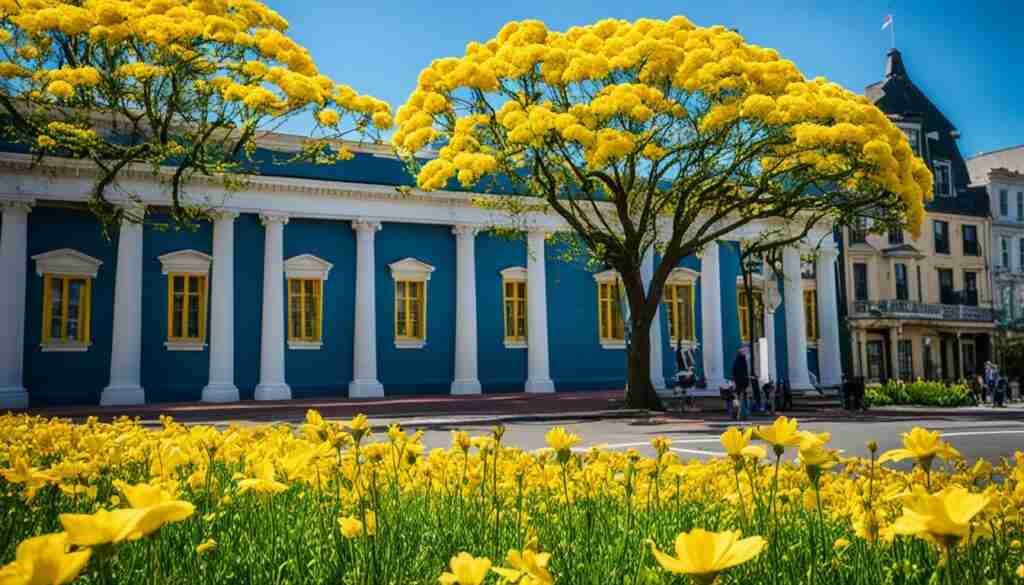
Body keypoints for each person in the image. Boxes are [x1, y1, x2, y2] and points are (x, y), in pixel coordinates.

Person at [731, 347, 751, 420]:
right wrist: (746, 382)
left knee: (739, 400)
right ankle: (741, 415)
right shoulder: (742, 360)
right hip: (741, 384)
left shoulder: (737, 360)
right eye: (746, 351)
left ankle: (738, 415)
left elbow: (735, 372)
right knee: (742, 400)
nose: (747, 353)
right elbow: (743, 373)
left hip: (739, 383)